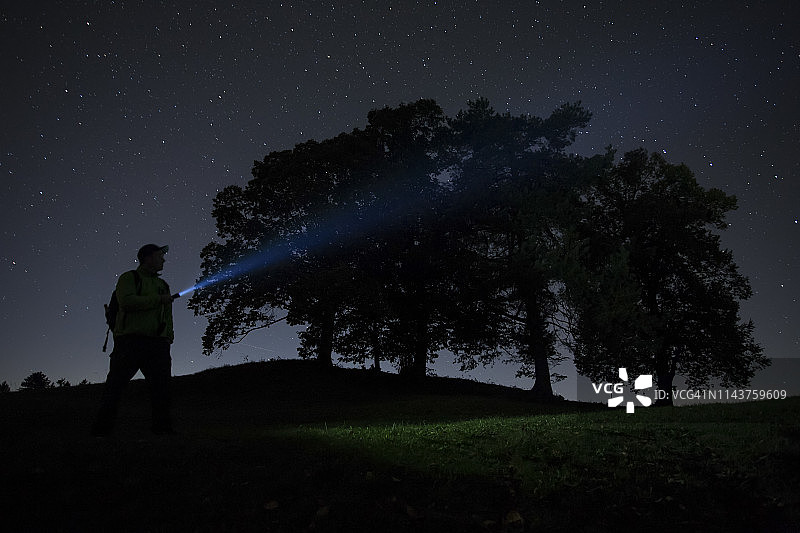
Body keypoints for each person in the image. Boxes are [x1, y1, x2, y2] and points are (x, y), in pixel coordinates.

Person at [93, 244, 176, 435]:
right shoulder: (129, 278)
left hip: (157, 345)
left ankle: (163, 431)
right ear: (147, 257)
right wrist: (158, 300)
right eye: (159, 256)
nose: (163, 260)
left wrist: (168, 337)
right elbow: (127, 302)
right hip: (129, 342)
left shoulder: (163, 285)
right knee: (115, 388)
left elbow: (167, 315)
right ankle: (101, 431)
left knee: (162, 390)